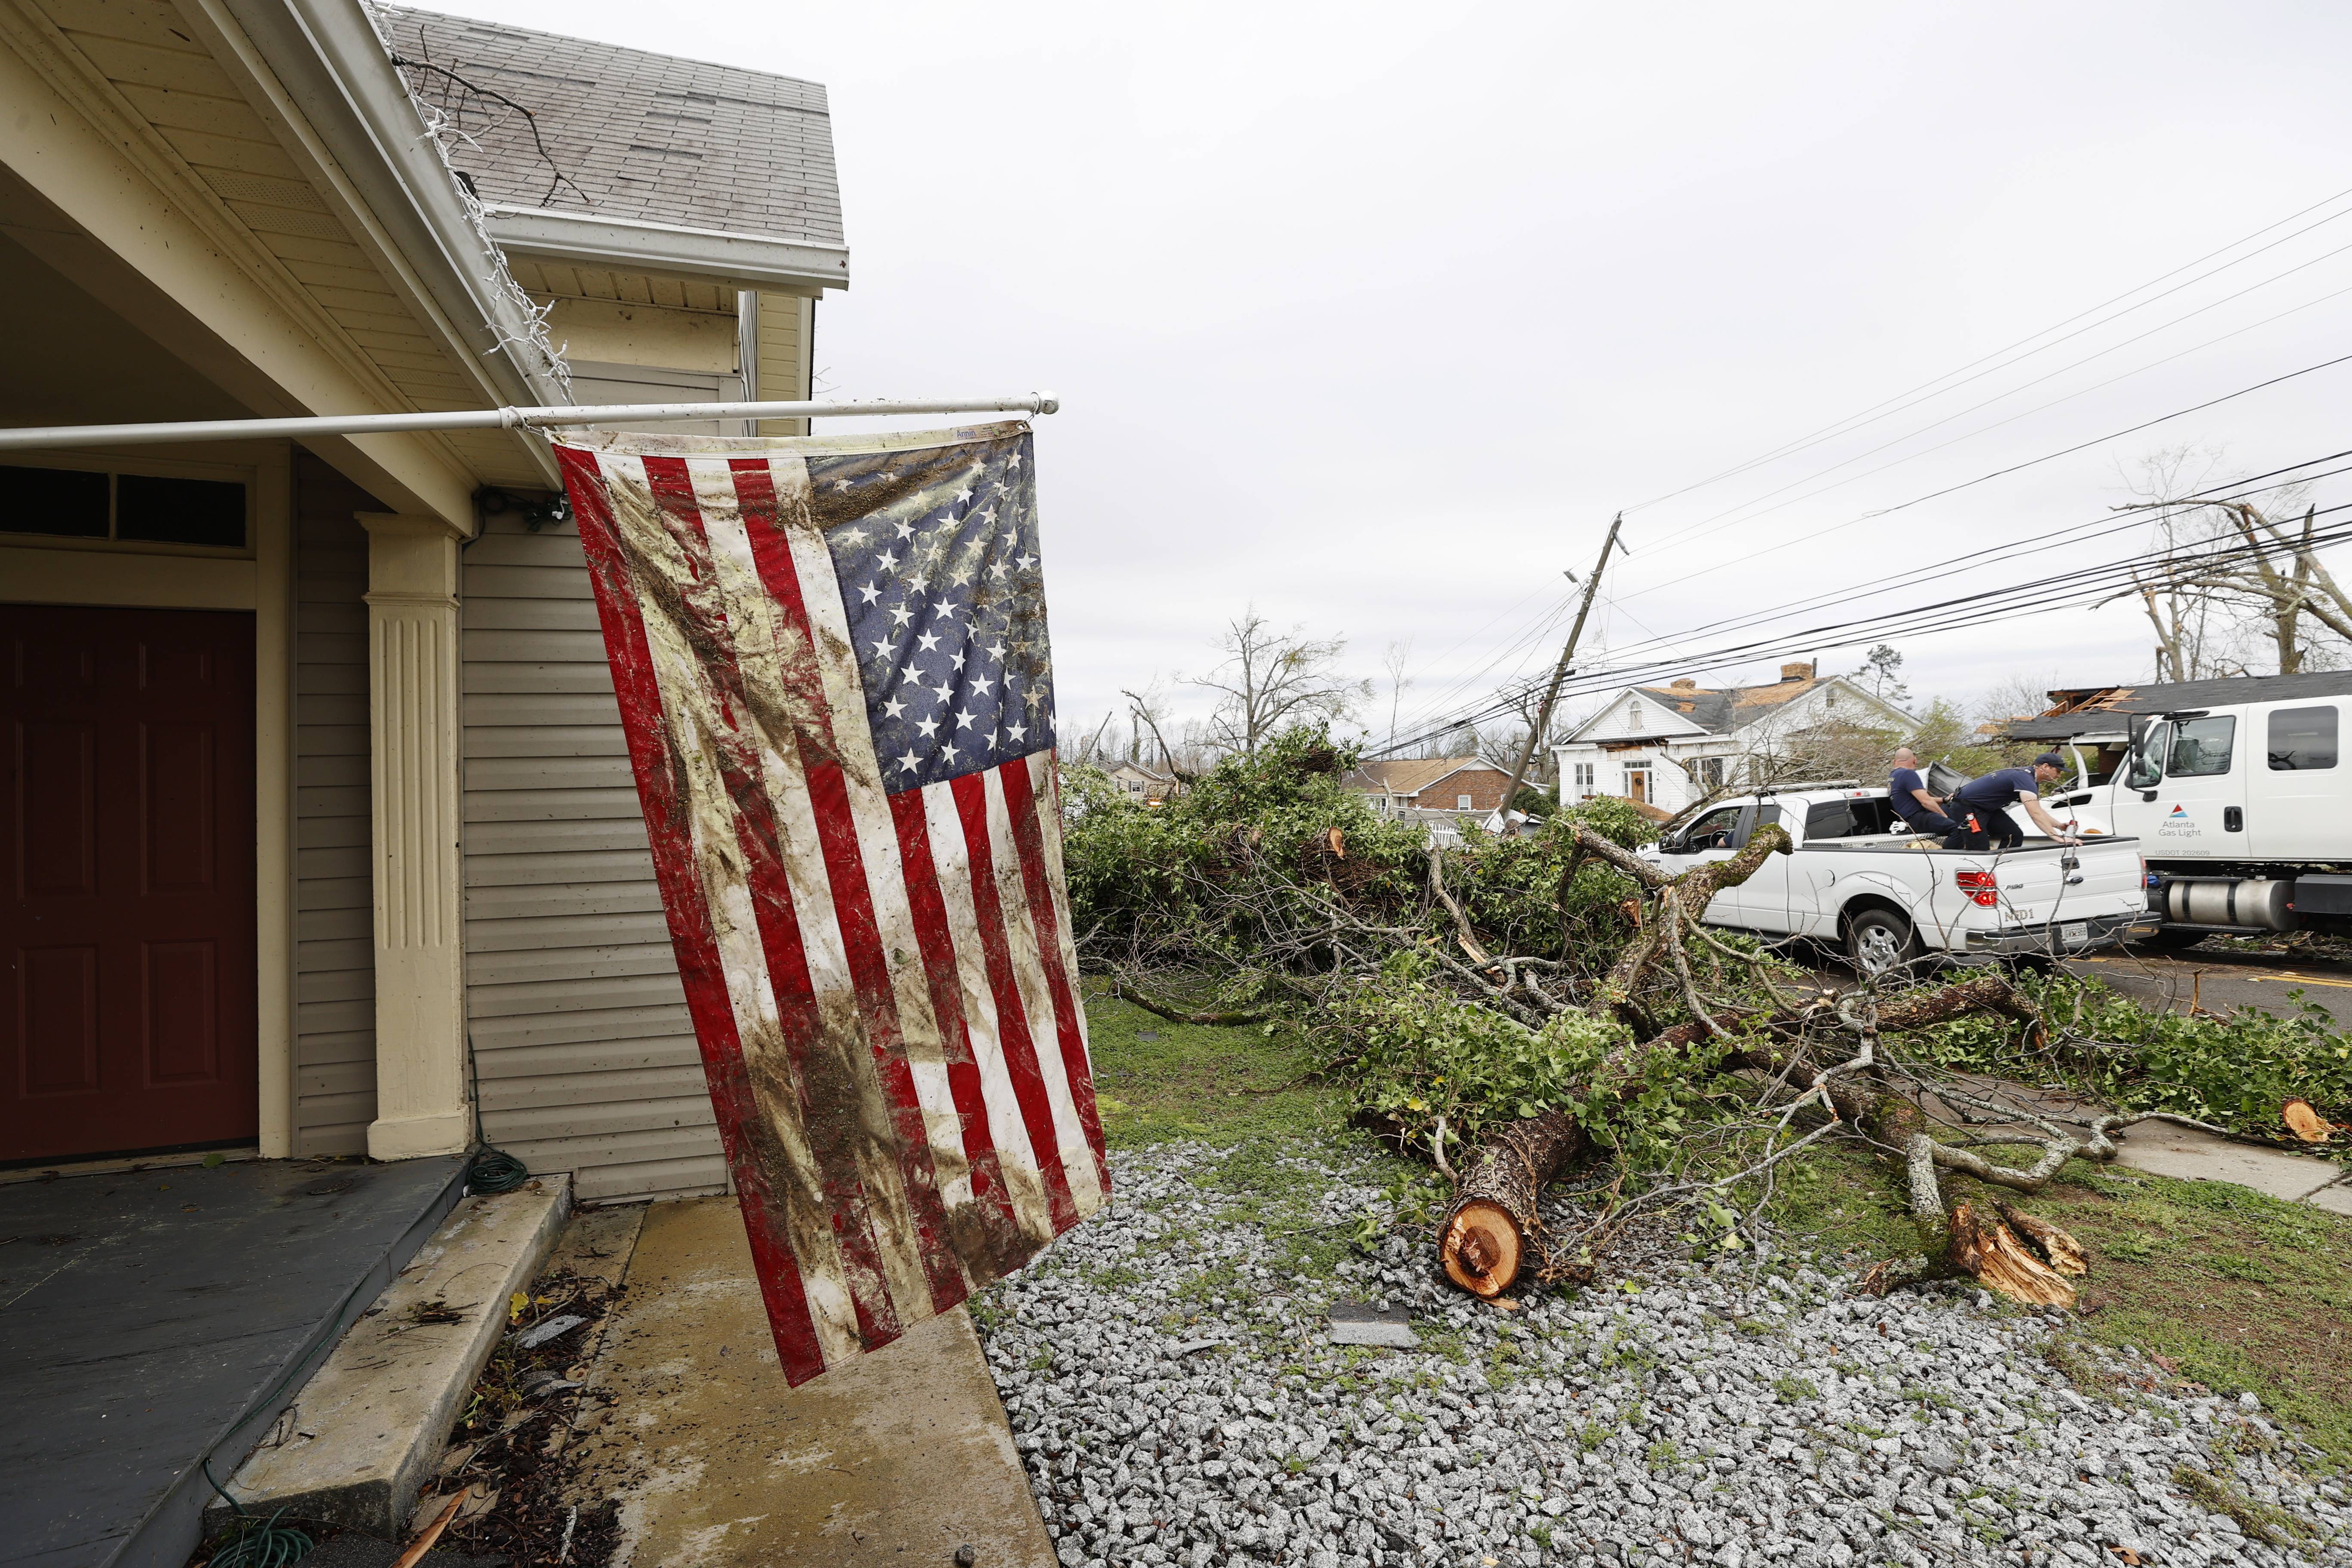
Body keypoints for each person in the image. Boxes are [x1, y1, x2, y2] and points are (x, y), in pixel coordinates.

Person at [1945, 752, 2079, 849]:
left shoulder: (2030, 779)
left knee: (2013, 836)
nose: (2060, 776)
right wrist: (2056, 837)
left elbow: (2038, 811)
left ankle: (2001, 867)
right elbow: (2035, 814)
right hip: (1967, 809)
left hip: (1987, 809)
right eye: (2058, 771)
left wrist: (2060, 826)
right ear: (2045, 767)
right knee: (1979, 847)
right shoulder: (2024, 778)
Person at [1886, 747, 1958, 838]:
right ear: (1915, 760)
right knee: (1955, 828)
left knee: (1949, 811)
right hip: (1918, 817)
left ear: (1894, 762)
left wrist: (1944, 800)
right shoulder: (1908, 774)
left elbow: (1920, 798)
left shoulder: (1893, 776)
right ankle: (1947, 852)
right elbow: (1926, 801)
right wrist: (1944, 816)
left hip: (1910, 819)